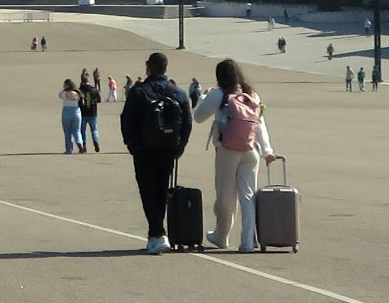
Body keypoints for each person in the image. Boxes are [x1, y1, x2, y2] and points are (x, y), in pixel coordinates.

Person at [191, 59, 279, 253]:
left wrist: (202, 98)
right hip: (251, 151)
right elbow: (260, 124)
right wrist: (267, 151)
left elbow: (197, 117)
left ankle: (222, 235)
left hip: (227, 151)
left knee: (225, 197)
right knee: (248, 196)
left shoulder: (219, 94)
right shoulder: (251, 95)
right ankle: (248, 241)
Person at [119, 52, 192, 254]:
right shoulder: (177, 92)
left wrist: (132, 145)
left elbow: (126, 120)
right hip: (168, 149)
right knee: (161, 191)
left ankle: (157, 233)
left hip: (144, 150)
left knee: (147, 191)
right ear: (165, 68)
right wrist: (180, 146)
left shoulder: (138, 92)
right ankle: (157, 234)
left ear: (148, 67)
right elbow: (187, 121)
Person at [76, 72, 102, 151]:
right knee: (94, 129)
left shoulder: (80, 90)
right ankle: (95, 141)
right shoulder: (94, 89)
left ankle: (84, 145)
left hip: (83, 113)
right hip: (93, 113)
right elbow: (99, 100)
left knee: (82, 130)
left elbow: (77, 101)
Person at [59, 79, 83, 153]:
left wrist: (64, 89)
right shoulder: (78, 93)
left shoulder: (64, 93)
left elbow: (60, 95)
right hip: (77, 111)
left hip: (67, 111)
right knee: (77, 130)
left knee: (68, 131)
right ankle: (80, 143)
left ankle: (69, 149)